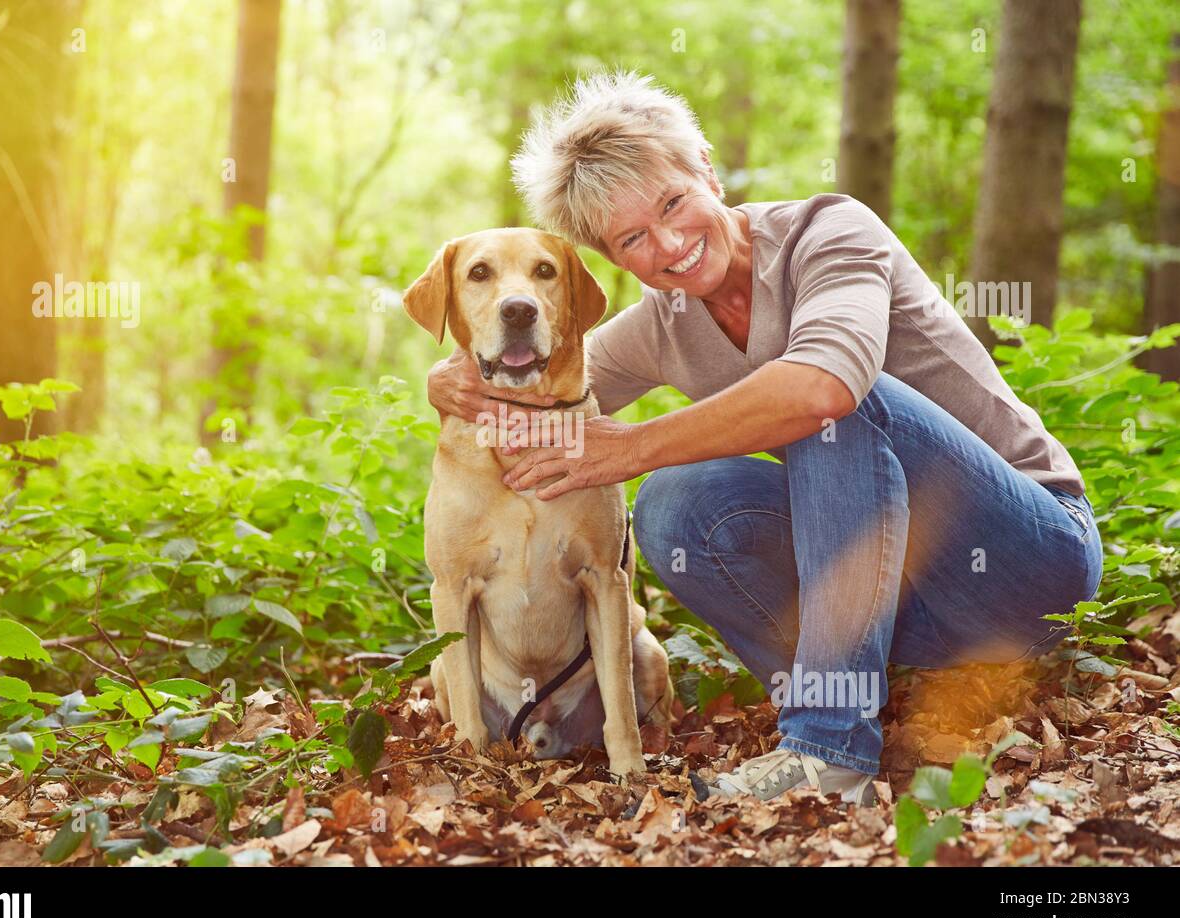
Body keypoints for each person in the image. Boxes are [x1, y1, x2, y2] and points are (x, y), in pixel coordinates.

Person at [425, 70, 1102, 807]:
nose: (670, 243)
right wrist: (449, 382)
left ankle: (830, 747)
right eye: (633, 240)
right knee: (673, 506)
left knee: (836, 407)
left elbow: (823, 388)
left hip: (1029, 564)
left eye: (674, 203)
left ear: (708, 171)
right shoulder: (665, 324)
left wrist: (630, 445)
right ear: (618, 262)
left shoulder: (829, 230)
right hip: (918, 616)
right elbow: (543, 385)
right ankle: (856, 695)